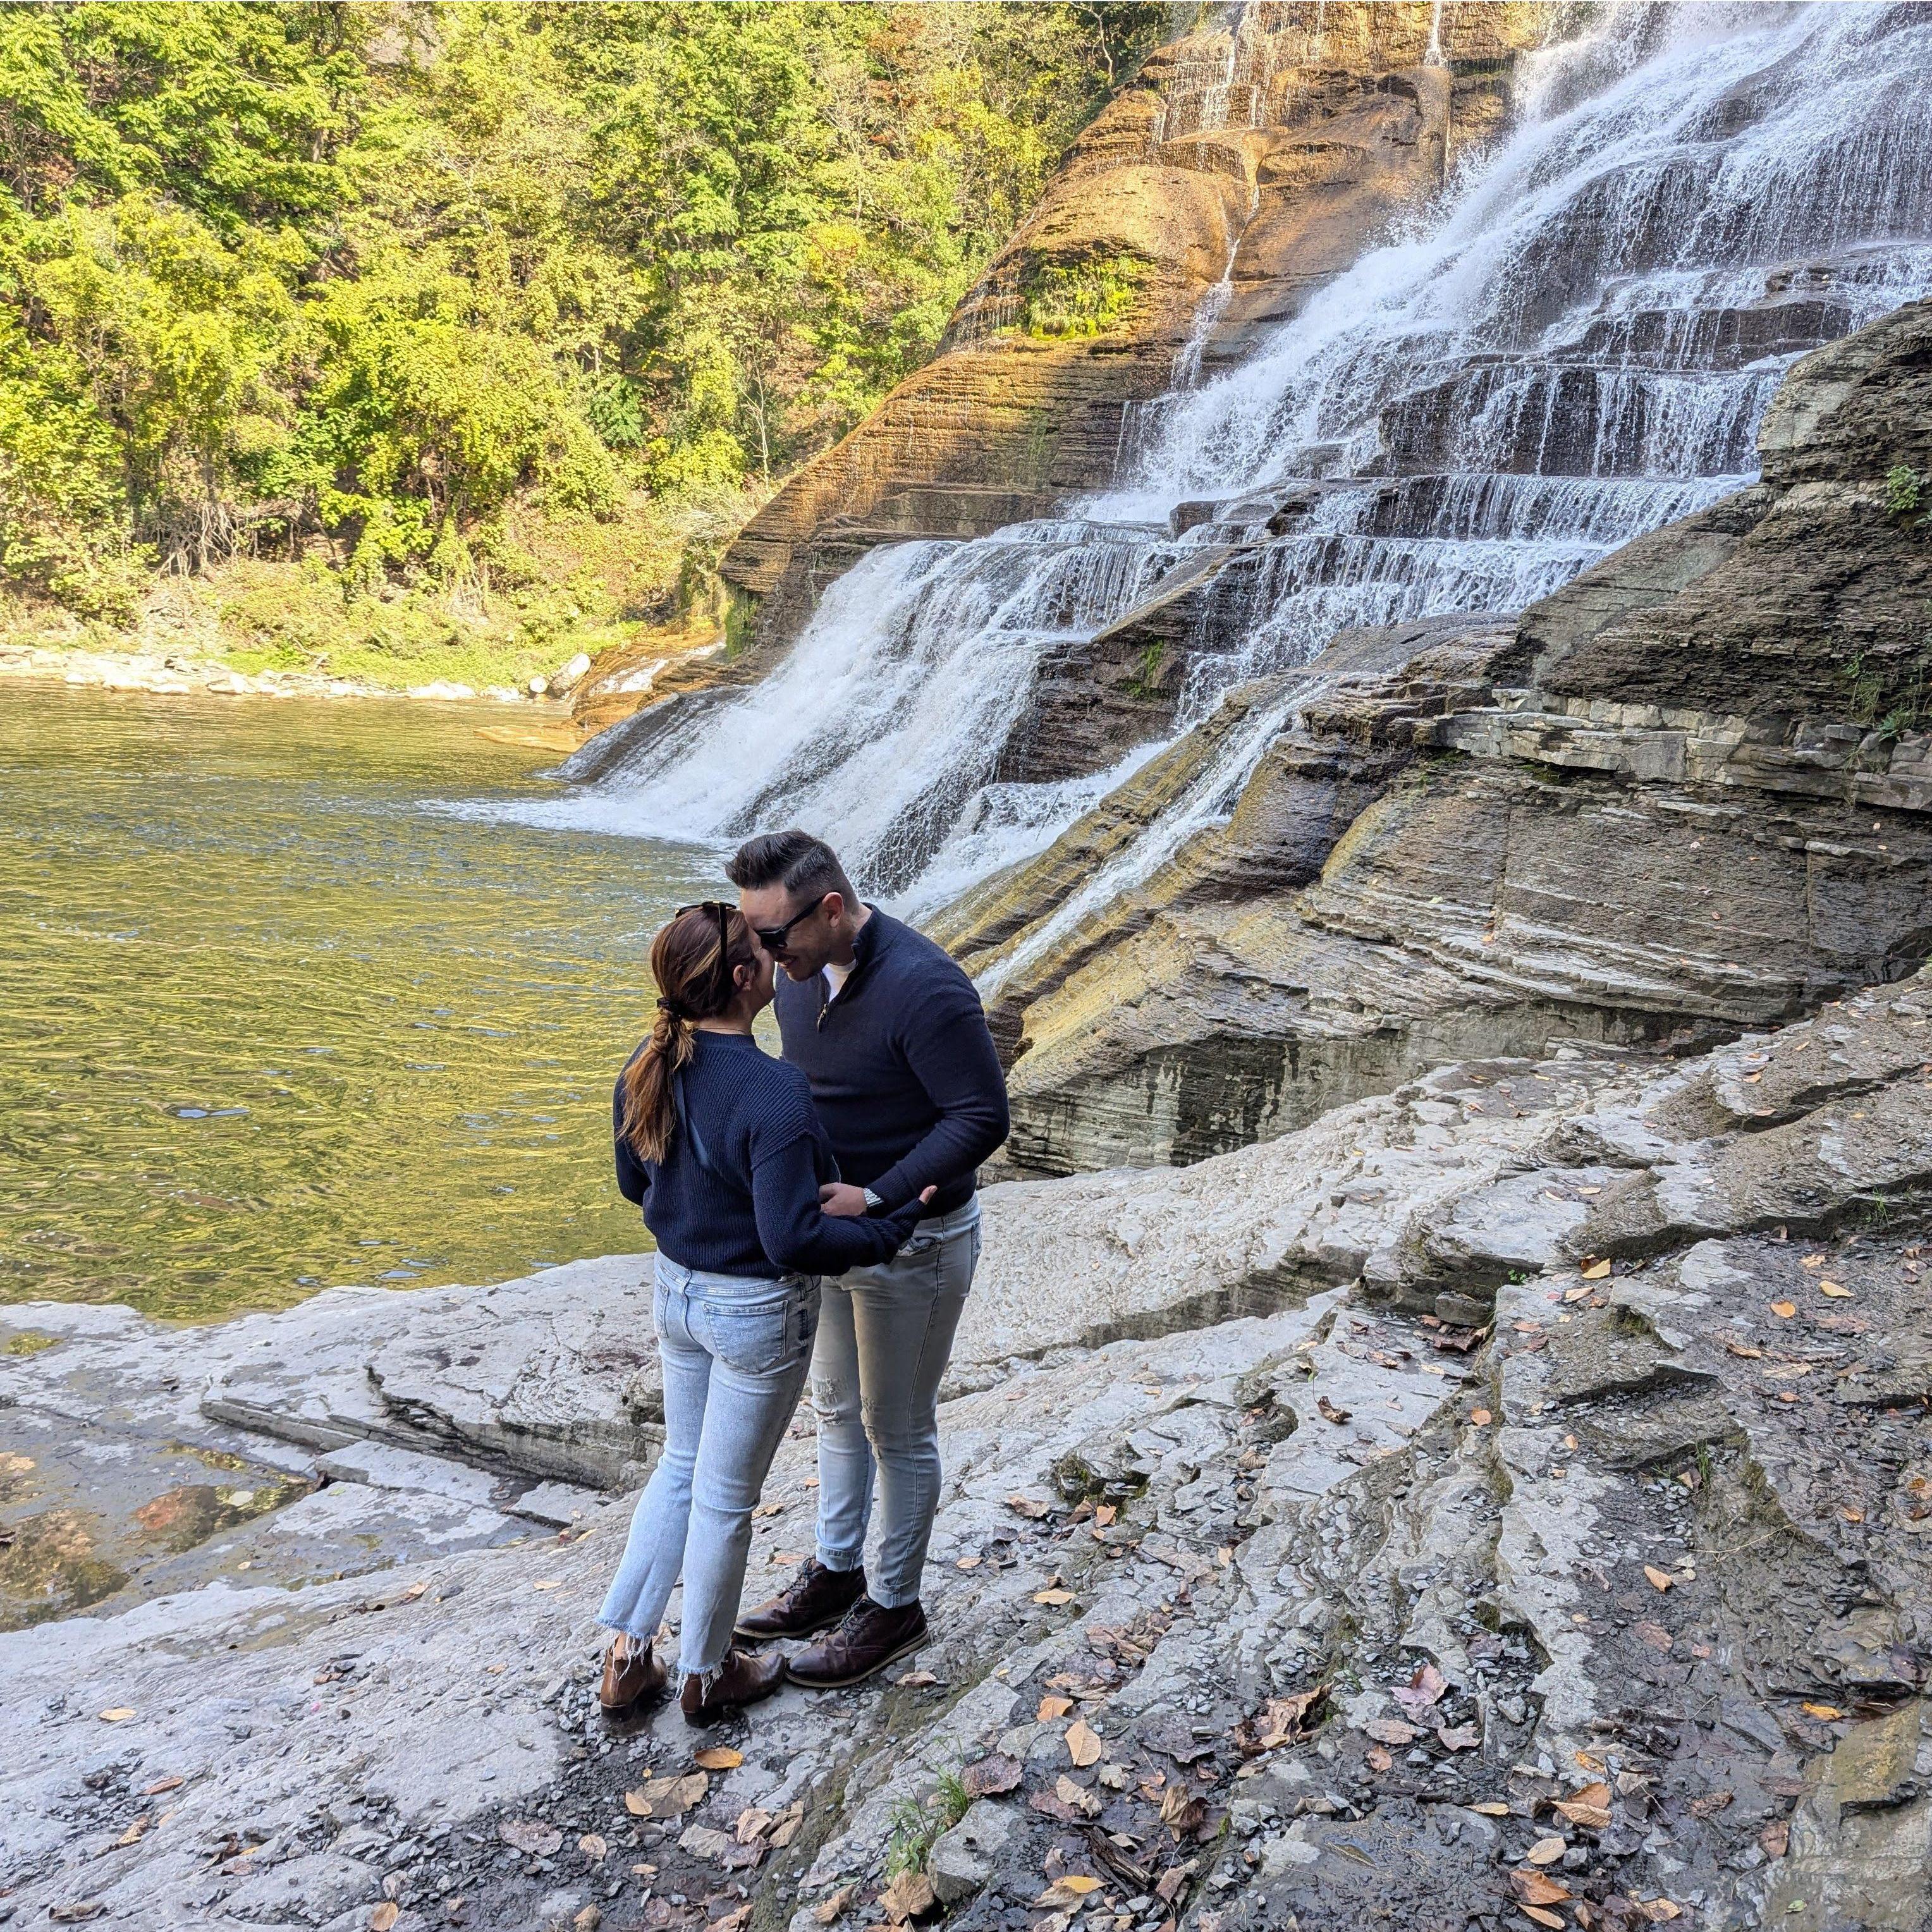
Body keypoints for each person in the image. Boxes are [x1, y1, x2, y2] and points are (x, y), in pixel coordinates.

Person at [596, 902, 933, 1725]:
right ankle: (708, 1676)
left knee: (679, 1468)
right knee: (722, 1500)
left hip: (675, 1293)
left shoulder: (648, 1061)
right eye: (764, 948)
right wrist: (894, 1222)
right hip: (753, 1312)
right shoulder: (774, 1090)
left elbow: (634, 1186)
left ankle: (627, 1659)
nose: (779, 953)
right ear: (745, 978)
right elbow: (795, 1239)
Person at [727, 831, 1010, 1685]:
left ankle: (895, 1608)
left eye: (775, 937)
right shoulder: (796, 978)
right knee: (839, 1410)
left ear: (834, 909)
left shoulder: (926, 990)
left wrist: (878, 1194)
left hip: (916, 1244)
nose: (763, 956)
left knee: (899, 1427)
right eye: (752, 935)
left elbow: (979, 1119)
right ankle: (838, 1570)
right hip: (839, 1241)